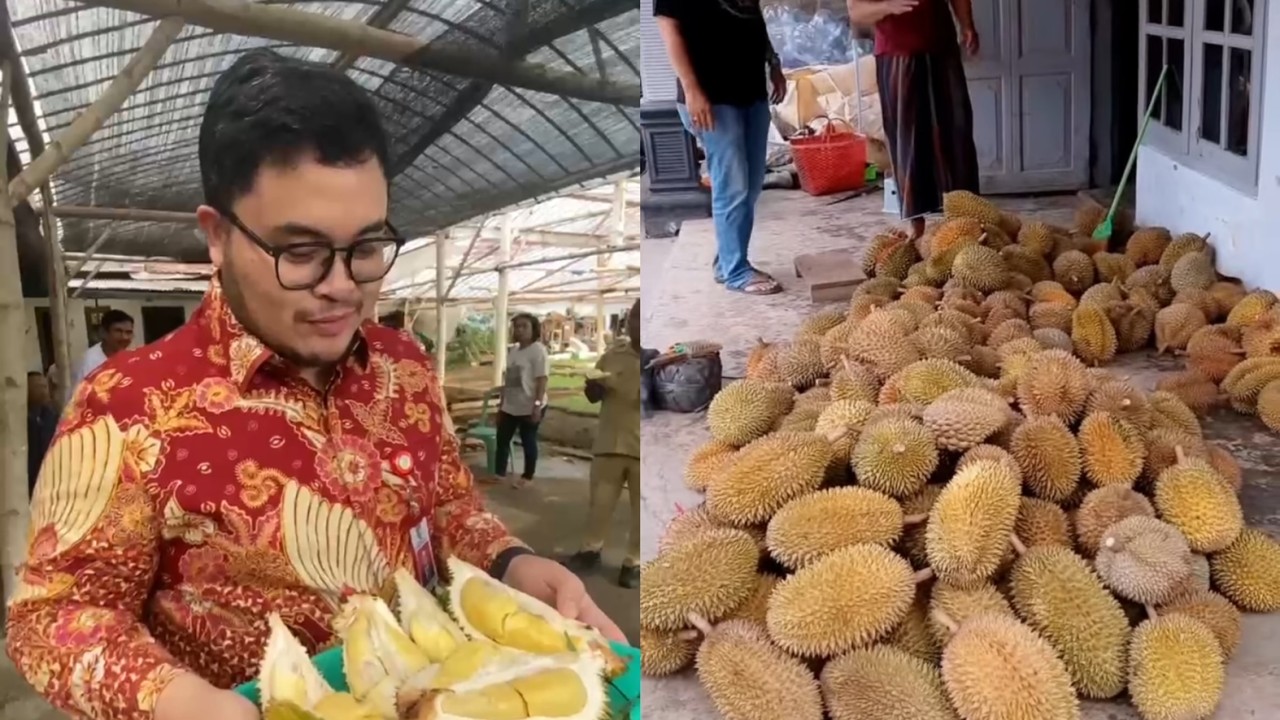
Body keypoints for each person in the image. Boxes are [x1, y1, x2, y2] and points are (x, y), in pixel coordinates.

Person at [4, 48, 622, 720]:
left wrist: (510, 564)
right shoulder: (128, 407)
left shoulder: (404, 365)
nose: (340, 286)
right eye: (300, 252)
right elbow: (55, 617)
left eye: (364, 248)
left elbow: (448, 509)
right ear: (216, 236)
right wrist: (182, 702)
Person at [655, 0, 788, 296]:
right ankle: (736, 271)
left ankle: (727, 261)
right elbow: (669, 27)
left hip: (750, 90)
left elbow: (753, 18)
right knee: (733, 185)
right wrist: (691, 90)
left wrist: (773, 63)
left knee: (752, 185)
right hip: (710, 97)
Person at [849, 0, 981, 240]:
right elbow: (856, 12)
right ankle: (915, 220)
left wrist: (967, 25)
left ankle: (966, 216)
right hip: (897, 53)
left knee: (957, 131)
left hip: (942, 48)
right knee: (908, 137)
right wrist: (888, 6)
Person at [565, 300, 641, 588]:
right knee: (599, 503)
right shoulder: (613, 355)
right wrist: (594, 388)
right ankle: (590, 551)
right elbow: (592, 395)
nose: (638, 325)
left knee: (640, 510)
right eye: (634, 318)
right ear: (628, 322)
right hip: (611, 441)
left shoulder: (661, 356)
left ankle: (633, 563)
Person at [495, 313, 549, 489]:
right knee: (502, 440)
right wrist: (501, 404)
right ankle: (499, 474)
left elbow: (542, 380)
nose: (519, 330)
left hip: (529, 404)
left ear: (534, 329)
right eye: (517, 326)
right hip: (510, 405)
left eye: (524, 326)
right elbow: (508, 380)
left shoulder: (538, 350)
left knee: (528, 441)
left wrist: (537, 406)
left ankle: (527, 476)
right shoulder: (514, 351)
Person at [71, 309, 134, 390]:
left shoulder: (130, 358)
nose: (124, 337)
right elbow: (77, 398)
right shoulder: (88, 363)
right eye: (118, 331)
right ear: (103, 332)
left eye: (128, 332)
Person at [25, 370, 58, 498]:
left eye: (45, 387)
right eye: (38, 387)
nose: (44, 391)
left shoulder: (51, 415)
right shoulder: (23, 420)